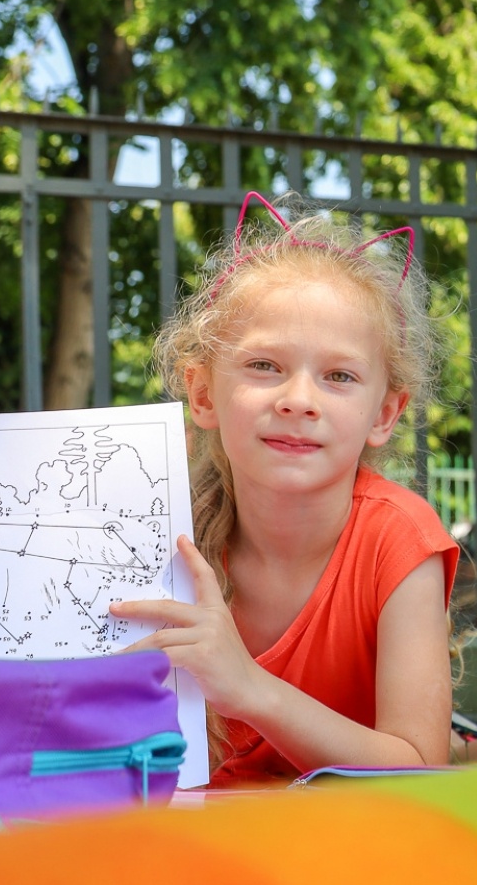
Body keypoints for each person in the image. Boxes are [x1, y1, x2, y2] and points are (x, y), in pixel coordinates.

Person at [112, 192, 457, 785]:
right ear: (201, 394)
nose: (298, 399)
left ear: (385, 413)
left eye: (339, 376)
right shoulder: (153, 531)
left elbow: (421, 768)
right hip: (194, 849)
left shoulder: (398, 541)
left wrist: (249, 689)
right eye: (264, 365)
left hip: (343, 849)